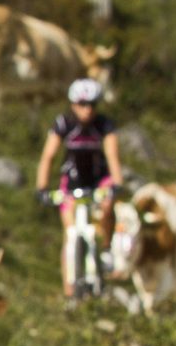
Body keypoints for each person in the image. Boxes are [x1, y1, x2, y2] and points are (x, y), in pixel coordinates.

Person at [34, 78, 124, 296]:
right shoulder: (64, 124)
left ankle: (106, 248)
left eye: (92, 104)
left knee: (108, 203)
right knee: (70, 233)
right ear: (73, 104)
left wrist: (117, 183)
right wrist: (42, 188)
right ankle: (69, 294)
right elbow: (48, 156)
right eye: (82, 104)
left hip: (98, 180)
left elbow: (112, 155)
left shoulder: (103, 125)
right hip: (71, 183)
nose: (88, 110)